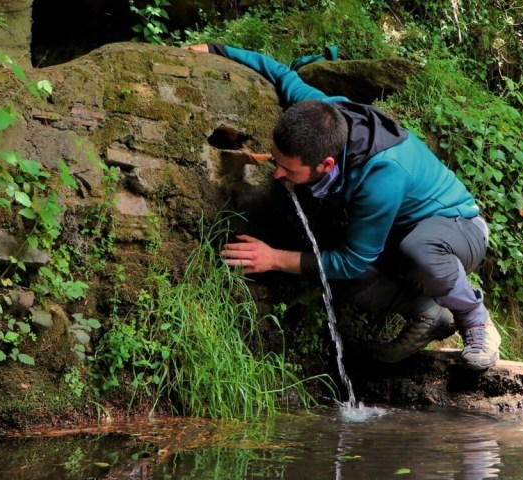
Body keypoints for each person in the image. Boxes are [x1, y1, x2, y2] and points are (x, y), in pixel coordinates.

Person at [189, 43, 501, 370]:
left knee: (414, 248)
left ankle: (475, 320)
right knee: (333, 269)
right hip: (396, 241)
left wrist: (275, 258)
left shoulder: (381, 174)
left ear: (325, 164)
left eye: (288, 169)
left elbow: (352, 262)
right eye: (276, 161)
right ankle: (427, 311)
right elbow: (280, 73)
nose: (277, 173)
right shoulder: (319, 114)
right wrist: (213, 48)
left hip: (458, 232)